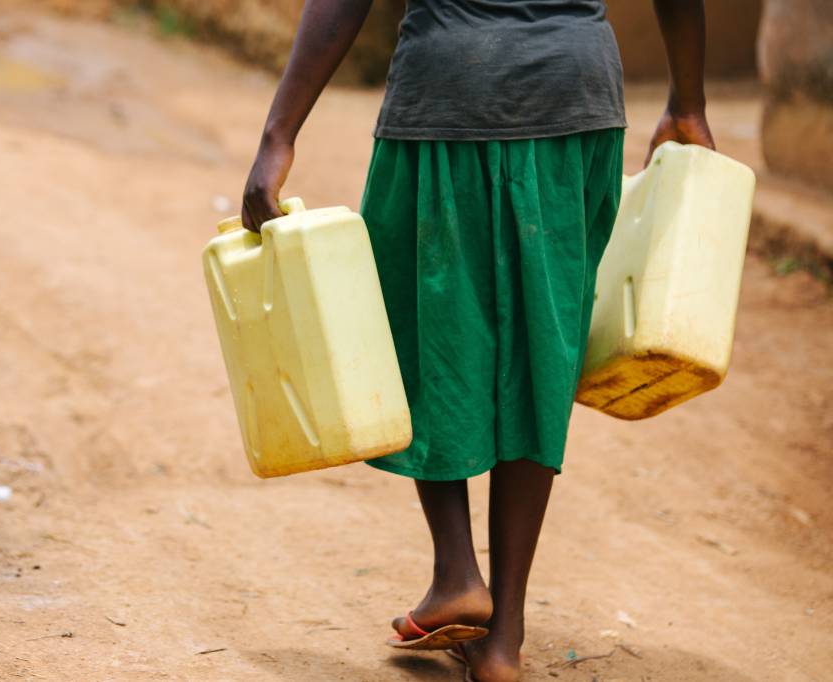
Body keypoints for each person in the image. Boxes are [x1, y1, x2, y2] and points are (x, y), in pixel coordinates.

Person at [240, 1, 715, 680]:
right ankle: (503, 639)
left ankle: (458, 572)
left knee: (424, 334)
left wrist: (278, 133)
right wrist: (688, 101)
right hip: (575, 100)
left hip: (448, 96)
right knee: (541, 352)